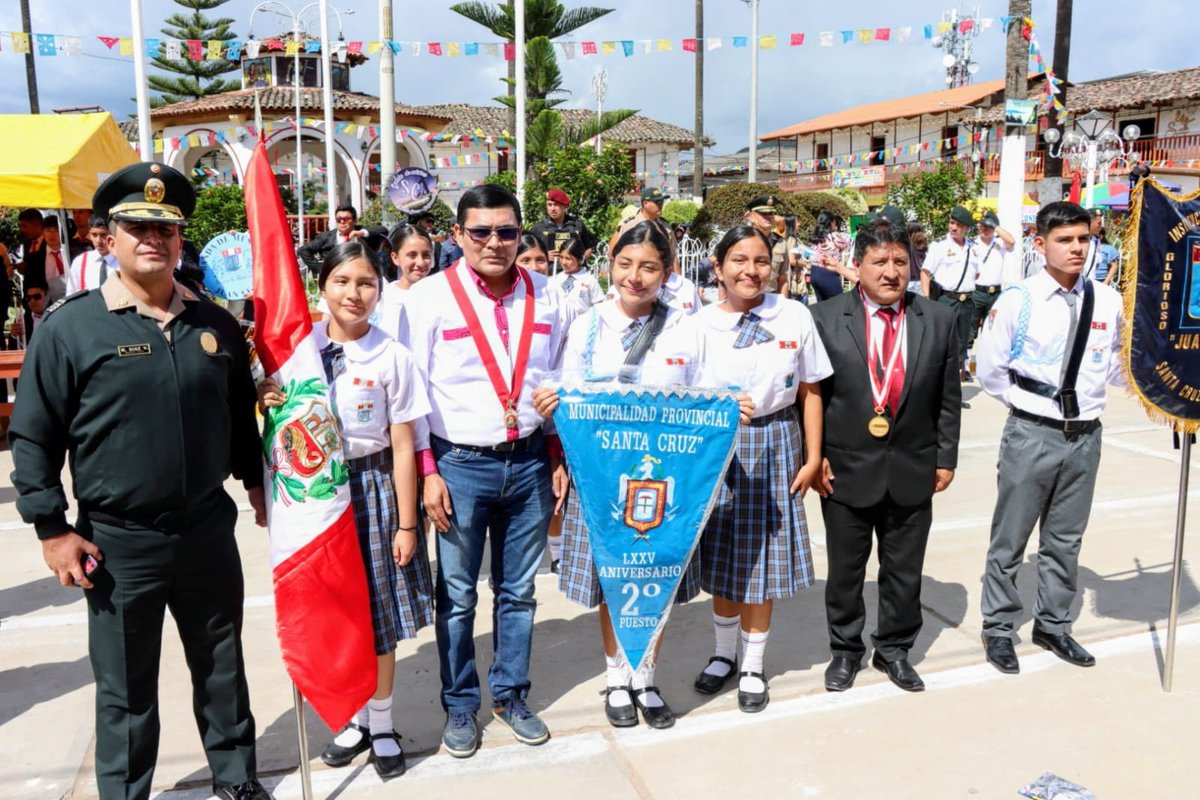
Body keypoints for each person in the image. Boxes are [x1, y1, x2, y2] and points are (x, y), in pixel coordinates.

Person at [8, 162, 271, 800]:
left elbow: (238, 416)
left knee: (222, 669)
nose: (152, 237)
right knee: (125, 686)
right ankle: (125, 792)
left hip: (207, 528)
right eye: (136, 225)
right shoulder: (72, 327)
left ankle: (235, 780)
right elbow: (34, 434)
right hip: (119, 541)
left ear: (180, 237)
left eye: (165, 227)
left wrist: (259, 485)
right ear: (108, 237)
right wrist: (52, 529)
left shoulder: (215, 325)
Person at [532, 221, 718, 730]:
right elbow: (569, 395)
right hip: (601, 481)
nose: (635, 277)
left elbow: (706, 395)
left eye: (650, 267)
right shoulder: (588, 324)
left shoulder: (686, 326)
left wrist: (731, 408)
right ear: (610, 265)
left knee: (654, 577)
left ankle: (647, 678)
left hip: (666, 482)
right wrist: (553, 403)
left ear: (668, 271)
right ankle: (617, 678)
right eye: (626, 264)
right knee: (615, 581)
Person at [404, 184, 565, 759]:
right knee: (457, 595)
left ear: (520, 234)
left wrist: (557, 456)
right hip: (458, 465)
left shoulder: (549, 296)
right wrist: (428, 470)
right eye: (480, 232)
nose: (494, 243)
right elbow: (412, 394)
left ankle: (512, 694)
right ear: (458, 236)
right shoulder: (425, 300)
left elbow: (560, 384)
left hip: (527, 463)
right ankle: (461, 705)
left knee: (518, 591)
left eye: (506, 232)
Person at [260, 241, 431, 780]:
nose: (353, 293)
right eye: (342, 281)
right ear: (321, 287)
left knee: (377, 615)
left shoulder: (391, 356)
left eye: (366, 283)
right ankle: (352, 719)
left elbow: (403, 445)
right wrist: (264, 396)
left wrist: (407, 523)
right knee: (333, 608)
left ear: (379, 290)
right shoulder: (298, 350)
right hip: (314, 494)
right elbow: (279, 428)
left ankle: (380, 723)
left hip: (374, 488)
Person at [810, 218, 962, 694]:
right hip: (845, 468)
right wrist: (814, 456)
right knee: (846, 570)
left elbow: (949, 397)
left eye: (901, 261)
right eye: (879, 261)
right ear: (857, 267)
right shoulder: (825, 318)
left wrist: (946, 457)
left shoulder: (938, 319)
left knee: (903, 570)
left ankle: (894, 650)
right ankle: (845, 650)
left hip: (914, 466)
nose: (891, 272)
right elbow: (809, 397)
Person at [975, 201, 1125, 675]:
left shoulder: (1108, 300)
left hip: (1086, 436)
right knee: (1011, 538)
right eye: (1065, 240)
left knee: (1065, 539)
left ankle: (1054, 624)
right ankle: (999, 627)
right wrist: (1030, 410)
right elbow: (990, 370)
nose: (1077, 248)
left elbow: (1117, 370)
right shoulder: (1018, 300)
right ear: (1040, 245)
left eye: (1084, 238)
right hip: (1032, 433)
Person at [693, 224, 832, 712]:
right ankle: (722, 654)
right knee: (724, 555)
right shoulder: (698, 324)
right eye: (739, 260)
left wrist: (813, 458)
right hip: (717, 448)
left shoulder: (793, 315)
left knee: (762, 563)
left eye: (760, 260)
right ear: (719, 267)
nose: (751, 270)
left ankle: (753, 664)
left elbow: (812, 389)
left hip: (777, 441)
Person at [922, 205, 979, 395]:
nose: (953, 227)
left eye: (959, 225)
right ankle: (935, 390)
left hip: (967, 302)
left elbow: (976, 273)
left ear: (967, 228)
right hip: (946, 300)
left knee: (961, 348)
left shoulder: (973, 247)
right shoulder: (940, 246)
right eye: (952, 223)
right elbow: (926, 272)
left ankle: (954, 393)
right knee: (940, 344)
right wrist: (926, 299)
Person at [377, 224, 434, 342]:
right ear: (395, 257)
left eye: (426, 255)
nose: (420, 262)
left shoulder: (440, 296)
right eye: (412, 255)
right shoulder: (383, 298)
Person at [971, 211, 1016, 336]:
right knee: (970, 329)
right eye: (982, 225)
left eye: (988, 226)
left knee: (991, 329)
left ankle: (985, 355)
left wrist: (995, 226)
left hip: (995, 293)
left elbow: (1011, 241)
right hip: (976, 292)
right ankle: (967, 355)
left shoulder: (1000, 243)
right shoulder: (973, 243)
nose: (984, 229)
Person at [529, 188, 594, 262]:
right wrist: (544, 256)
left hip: (574, 272)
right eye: (549, 205)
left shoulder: (577, 225)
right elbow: (528, 251)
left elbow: (589, 248)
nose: (552, 209)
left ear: (565, 206)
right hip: (549, 271)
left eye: (556, 205)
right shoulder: (538, 228)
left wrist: (581, 259)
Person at [298, 205, 365, 276]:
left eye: (346, 219)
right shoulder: (325, 237)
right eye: (339, 219)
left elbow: (378, 230)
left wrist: (363, 233)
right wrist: (320, 268)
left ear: (355, 221)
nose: (342, 222)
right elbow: (303, 250)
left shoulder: (363, 233)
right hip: (333, 276)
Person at [742, 195, 789, 294]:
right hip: (745, 297)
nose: (769, 217)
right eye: (763, 213)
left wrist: (783, 305)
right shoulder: (741, 241)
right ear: (750, 216)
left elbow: (783, 279)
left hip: (771, 298)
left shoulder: (781, 242)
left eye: (771, 213)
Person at [806, 211, 854, 302]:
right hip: (829, 272)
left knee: (822, 306)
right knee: (838, 304)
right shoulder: (834, 235)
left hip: (815, 272)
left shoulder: (814, 237)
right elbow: (847, 245)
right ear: (831, 222)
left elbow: (809, 254)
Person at [66, 215, 120, 296]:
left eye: (103, 235)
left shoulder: (122, 262)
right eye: (94, 235)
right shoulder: (80, 262)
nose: (98, 241)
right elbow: (71, 295)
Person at [547, 234, 604, 310]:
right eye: (561, 257)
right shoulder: (555, 279)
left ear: (579, 259)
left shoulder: (589, 281)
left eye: (568, 258)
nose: (563, 262)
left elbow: (599, 306)